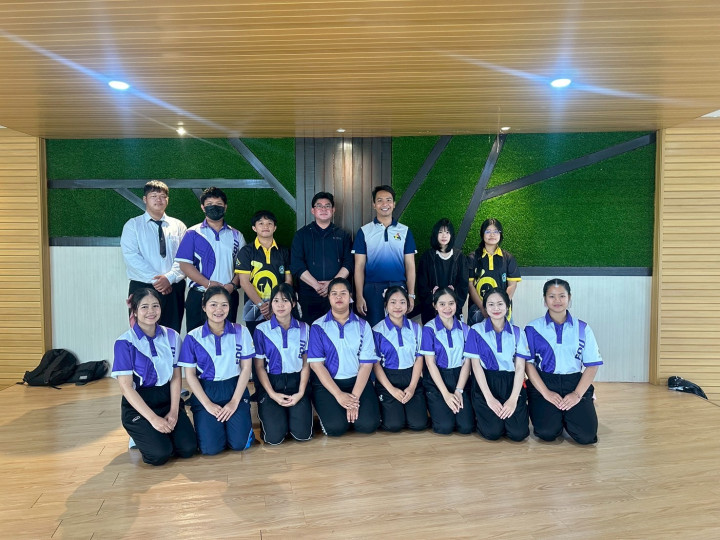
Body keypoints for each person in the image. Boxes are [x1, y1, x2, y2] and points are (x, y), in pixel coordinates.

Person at [111, 288, 197, 466]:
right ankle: (140, 434)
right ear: (135, 311)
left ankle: (160, 434)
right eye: (144, 307)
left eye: (155, 306)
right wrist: (153, 419)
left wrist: (174, 411)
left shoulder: (172, 336)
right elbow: (126, 387)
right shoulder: (124, 342)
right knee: (159, 455)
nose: (151, 311)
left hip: (167, 398)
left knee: (188, 449)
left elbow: (175, 377)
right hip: (139, 403)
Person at [178, 286, 255, 455]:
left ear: (229, 307)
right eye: (213, 304)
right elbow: (190, 375)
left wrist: (234, 402)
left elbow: (246, 368)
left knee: (240, 444)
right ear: (204, 307)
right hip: (207, 391)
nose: (219, 310)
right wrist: (208, 404)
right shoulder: (192, 337)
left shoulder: (241, 332)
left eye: (224, 305)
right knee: (210, 449)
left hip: (235, 388)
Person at [524, 279, 602, 445]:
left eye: (562, 296)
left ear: (569, 298)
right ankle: (558, 417)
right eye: (551, 296)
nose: (557, 300)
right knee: (546, 433)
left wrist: (576, 395)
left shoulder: (583, 328)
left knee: (587, 436)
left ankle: (574, 411)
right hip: (544, 382)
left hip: (574, 382)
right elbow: (528, 365)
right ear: (545, 300)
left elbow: (592, 365)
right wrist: (546, 393)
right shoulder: (532, 328)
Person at [307, 277, 381, 436]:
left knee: (368, 425)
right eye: (334, 293)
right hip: (328, 385)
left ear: (350, 296)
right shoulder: (318, 326)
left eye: (343, 293)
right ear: (328, 297)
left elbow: (366, 364)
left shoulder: (363, 325)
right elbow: (316, 365)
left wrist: (354, 399)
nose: (338, 297)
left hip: (357, 382)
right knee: (336, 428)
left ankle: (352, 412)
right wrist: (339, 395)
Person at [120, 180, 187, 332]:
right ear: (145, 199)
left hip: (173, 287)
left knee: (171, 332)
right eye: (154, 196)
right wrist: (158, 281)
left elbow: (185, 258)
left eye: (163, 196)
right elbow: (131, 257)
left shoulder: (179, 226)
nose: (159, 200)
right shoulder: (133, 225)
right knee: (142, 332)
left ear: (167, 200)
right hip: (142, 286)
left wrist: (169, 278)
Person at [176, 186, 245, 332]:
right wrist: (207, 284)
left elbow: (243, 268)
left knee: (227, 337)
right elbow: (185, 265)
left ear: (225, 207)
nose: (214, 207)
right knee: (197, 338)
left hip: (228, 295)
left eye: (219, 204)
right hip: (199, 295)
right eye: (209, 204)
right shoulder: (192, 233)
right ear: (203, 207)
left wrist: (232, 285)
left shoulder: (236, 235)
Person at [464, 288, 530, 441]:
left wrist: (513, 400)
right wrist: (489, 399)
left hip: (511, 383)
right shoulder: (475, 331)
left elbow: (520, 368)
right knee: (492, 433)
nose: (496, 308)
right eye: (491, 304)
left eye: (500, 304)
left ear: (507, 306)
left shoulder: (518, 332)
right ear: (485, 307)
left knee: (518, 434)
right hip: (486, 383)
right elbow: (476, 367)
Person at [253, 283, 313, 444]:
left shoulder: (304, 328)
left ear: (293, 303)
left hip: (297, 383)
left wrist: (301, 392)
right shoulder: (261, 330)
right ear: (271, 303)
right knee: (274, 439)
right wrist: (272, 394)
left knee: (303, 435)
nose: (280, 305)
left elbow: (306, 364)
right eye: (276, 301)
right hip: (272, 384)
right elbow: (259, 367)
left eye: (285, 300)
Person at [352, 185, 417, 326]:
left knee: (397, 328)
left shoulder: (405, 231)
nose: (384, 204)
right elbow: (359, 266)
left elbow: (410, 265)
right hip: (372, 289)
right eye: (380, 200)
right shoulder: (364, 231)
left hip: (399, 287)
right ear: (374, 205)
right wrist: (359, 295)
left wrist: (411, 294)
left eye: (388, 200)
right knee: (374, 329)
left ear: (394, 204)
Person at [290, 192, 354, 323]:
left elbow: (349, 263)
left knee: (337, 329)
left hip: (337, 295)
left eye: (327, 206)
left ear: (333, 210)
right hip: (308, 294)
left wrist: (332, 285)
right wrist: (316, 285)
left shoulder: (343, 235)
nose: (323, 209)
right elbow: (297, 265)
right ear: (313, 210)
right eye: (319, 206)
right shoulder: (301, 235)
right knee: (310, 330)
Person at [372, 286, 428, 432]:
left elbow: (419, 358)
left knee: (419, 424)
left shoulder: (416, 328)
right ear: (386, 305)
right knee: (394, 425)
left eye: (402, 302)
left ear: (408, 305)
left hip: (412, 378)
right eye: (393, 302)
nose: (398, 306)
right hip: (388, 380)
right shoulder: (377, 330)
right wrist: (391, 390)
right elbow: (376, 364)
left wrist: (412, 387)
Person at [420, 287, 474, 434]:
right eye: (442, 304)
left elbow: (467, 362)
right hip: (437, 380)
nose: (447, 308)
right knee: (445, 427)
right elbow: (430, 364)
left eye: (451, 303)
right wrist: (445, 393)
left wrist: (458, 390)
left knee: (466, 427)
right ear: (435, 306)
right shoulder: (429, 329)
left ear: (456, 304)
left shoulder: (466, 329)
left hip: (460, 379)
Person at [235, 210, 292, 336]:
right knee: (256, 342)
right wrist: (261, 305)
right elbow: (244, 282)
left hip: (280, 305)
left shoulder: (284, 251)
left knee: (280, 340)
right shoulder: (246, 252)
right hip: (253, 305)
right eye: (261, 223)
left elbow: (288, 281)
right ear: (254, 228)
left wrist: (275, 304)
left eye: (269, 223)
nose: (265, 226)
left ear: (275, 227)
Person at [468, 218, 521, 325]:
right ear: (482, 234)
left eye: (496, 231)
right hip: (478, 310)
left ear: (500, 234)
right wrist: (483, 308)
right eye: (488, 231)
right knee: (476, 335)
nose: (492, 235)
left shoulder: (508, 258)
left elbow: (512, 285)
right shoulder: (472, 258)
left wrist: (501, 306)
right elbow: (470, 286)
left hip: (502, 311)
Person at [416, 218, 469, 324]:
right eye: (440, 232)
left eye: (447, 232)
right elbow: (421, 284)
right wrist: (432, 298)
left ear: (451, 235)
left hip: (453, 310)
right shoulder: (427, 257)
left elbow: (463, 285)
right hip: (431, 310)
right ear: (435, 234)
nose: (444, 235)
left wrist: (453, 302)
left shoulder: (460, 257)